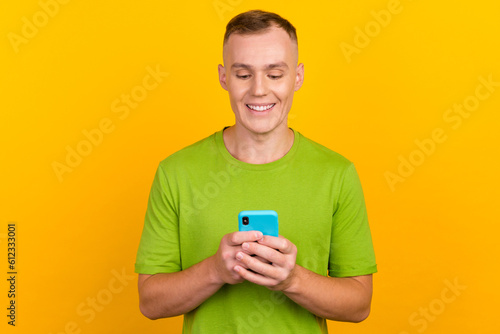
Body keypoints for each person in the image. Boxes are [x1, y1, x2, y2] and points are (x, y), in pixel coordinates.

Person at [135, 9, 377, 333]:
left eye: (275, 74)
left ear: (298, 77)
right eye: (243, 74)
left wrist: (292, 279)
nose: (259, 90)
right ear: (223, 77)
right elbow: (150, 302)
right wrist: (216, 271)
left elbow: (359, 303)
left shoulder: (337, 174)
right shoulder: (175, 173)